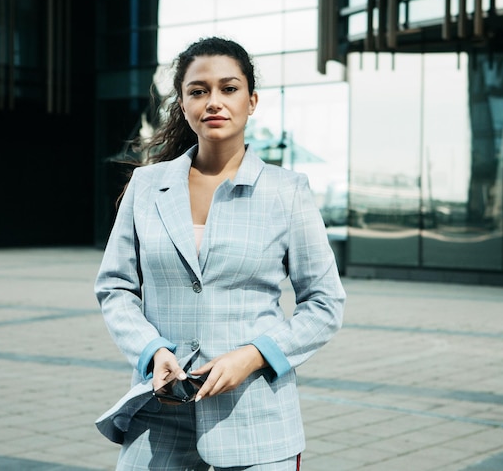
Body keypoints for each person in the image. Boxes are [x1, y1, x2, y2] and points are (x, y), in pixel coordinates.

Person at [94, 36, 346, 471]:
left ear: (252, 100)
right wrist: (152, 350)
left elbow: (325, 305)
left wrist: (253, 355)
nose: (214, 101)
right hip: (160, 410)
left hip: (255, 415)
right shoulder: (147, 186)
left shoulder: (288, 192)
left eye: (229, 89)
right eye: (198, 91)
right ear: (184, 103)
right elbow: (115, 287)